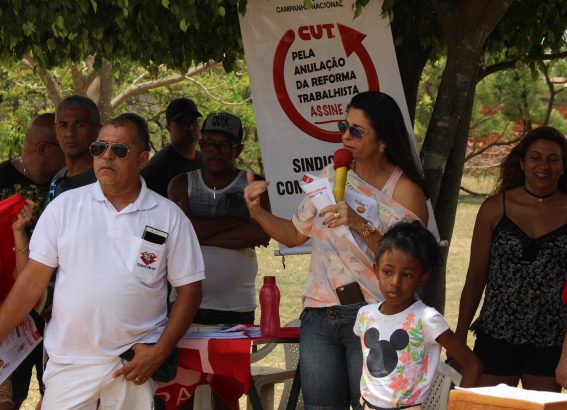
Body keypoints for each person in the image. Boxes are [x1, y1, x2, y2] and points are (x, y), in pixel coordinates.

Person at [0, 113, 205, 409]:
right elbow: (31, 282)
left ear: (143, 159)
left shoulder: (168, 216)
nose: (107, 156)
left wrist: (160, 351)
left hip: (133, 365)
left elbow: (190, 290)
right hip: (70, 364)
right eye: (99, 148)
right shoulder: (63, 207)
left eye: (119, 150)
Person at [244, 91, 429, 409]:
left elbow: (412, 263)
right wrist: (257, 212)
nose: (345, 136)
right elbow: (293, 235)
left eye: (357, 131)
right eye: (344, 127)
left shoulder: (405, 192)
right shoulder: (330, 177)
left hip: (375, 315)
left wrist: (359, 223)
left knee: (371, 406)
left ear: (383, 141)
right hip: (319, 314)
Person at [169, 112, 270, 410]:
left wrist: (197, 231)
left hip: (234, 310)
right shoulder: (181, 184)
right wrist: (235, 222)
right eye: (210, 144)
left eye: (225, 145)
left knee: (226, 394)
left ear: (238, 150)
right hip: (184, 308)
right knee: (180, 394)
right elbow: (179, 232)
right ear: (201, 145)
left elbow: (260, 234)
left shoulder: (253, 184)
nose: (216, 151)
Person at [455, 126, 567, 392]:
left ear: (563, 166)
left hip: (551, 340)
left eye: (553, 159)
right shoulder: (495, 208)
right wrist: (459, 335)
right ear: (522, 162)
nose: (544, 166)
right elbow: (476, 277)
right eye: (536, 157)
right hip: (496, 334)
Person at [354, 222, 482, 409]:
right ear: (376, 270)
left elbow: (472, 365)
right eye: (387, 272)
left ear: (422, 278)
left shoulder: (426, 319)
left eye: (407, 275)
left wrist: (461, 406)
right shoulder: (365, 315)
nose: (395, 282)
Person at [0, 113, 64, 410]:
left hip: (57, 308)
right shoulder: (2, 180)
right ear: (44, 149)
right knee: (10, 396)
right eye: (63, 143)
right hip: (11, 307)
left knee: (56, 393)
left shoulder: (69, 184)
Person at [142, 97, 203, 197]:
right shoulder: (156, 170)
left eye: (193, 122)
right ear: (168, 128)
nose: (189, 128)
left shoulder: (205, 161)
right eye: (181, 123)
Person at [47, 95, 100, 201]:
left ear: (96, 130)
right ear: (56, 131)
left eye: (80, 125)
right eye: (63, 125)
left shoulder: (101, 180)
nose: (70, 133)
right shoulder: (58, 178)